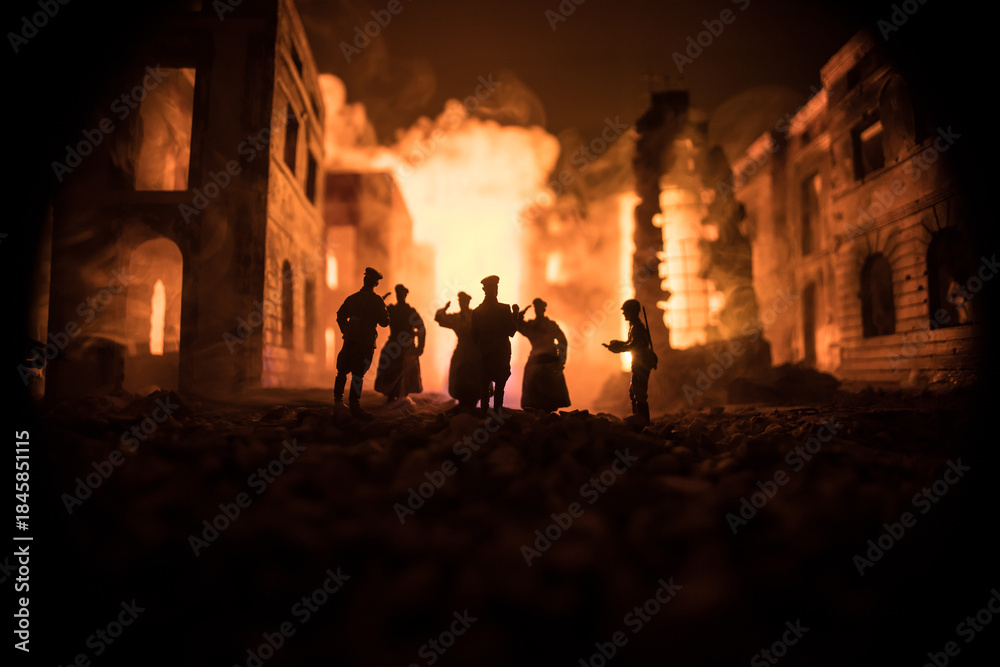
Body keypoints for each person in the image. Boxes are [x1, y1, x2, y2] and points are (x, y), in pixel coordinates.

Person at [334, 267, 390, 417]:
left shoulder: (353, 298)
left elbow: (340, 315)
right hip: (365, 340)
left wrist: (346, 331)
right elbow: (384, 322)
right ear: (376, 284)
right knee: (358, 374)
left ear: (364, 280)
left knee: (342, 370)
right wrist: (383, 307)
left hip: (350, 339)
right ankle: (354, 404)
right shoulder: (377, 300)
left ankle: (337, 402)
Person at [603, 299, 656, 424]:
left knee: (639, 391)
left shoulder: (638, 328)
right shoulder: (633, 326)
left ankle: (643, 420)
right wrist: (619, 343)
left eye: (625, 311)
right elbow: (630, 342)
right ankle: (638, 417)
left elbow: (633, 346)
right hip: (638, 362)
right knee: (634, 391)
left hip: (642, 363)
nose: (623, 313)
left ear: (632, 311)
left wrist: (619, 348)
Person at [471, 275, 518, 414]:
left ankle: (484, 414)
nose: (495, 290)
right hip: (500, 354)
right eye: (494, 288)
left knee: (484, 386)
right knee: (499, 386)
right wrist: (515, 315)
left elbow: (474, 336)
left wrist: (481, 349)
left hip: (484, 354)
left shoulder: (477, 312)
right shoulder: (504, 309)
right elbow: (511, 331)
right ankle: (497, 413)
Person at [516, 298, 570, 412]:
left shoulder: (551, 325)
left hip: (548, 362)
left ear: (544, 309)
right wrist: (520, 315)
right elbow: (518, 325)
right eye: (536, 307)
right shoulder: (532, 325)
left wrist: (561, 359)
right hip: (537, 362)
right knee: (534, 400)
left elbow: (562, 341)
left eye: (540, 307)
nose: (538, 310)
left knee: (549, 398)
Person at [375, 284, 425, 402]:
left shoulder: (410, 312)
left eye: (401, 294)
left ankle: (402, 394)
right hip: (394, 345)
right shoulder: (392, 310)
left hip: (406, 347)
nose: (399, 296)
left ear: (405, 295)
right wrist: (381, 302)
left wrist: (420, 347)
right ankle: (392, 394)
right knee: (389, 367)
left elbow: (421, 328)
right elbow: (379, 314)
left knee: (405, 370)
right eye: (398, 293)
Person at [435, 291, 481, 409]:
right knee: (459, 375)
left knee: (473, 375)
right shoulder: (457, 317)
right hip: (462, 350)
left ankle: (472, 402)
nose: (462, 303)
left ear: (468, 302)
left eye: (464, 301)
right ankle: (462, 402)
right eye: (460, 301)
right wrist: (444, 309)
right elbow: (439, 318)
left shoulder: (475, 316)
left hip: (473, 351)